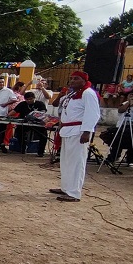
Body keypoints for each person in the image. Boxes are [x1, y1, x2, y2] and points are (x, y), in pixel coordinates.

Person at [51, 71, 100, 202]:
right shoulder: (72, 93)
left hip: (78, 131)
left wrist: (87, 131)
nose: (72, 81)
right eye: (71, 79)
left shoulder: (88, 93)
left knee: (76, 162)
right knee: (66, 161)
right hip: (67, 129)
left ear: (84, 81)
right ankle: (66, 187)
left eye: (76, 79)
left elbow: (93, 113)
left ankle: (74, 192)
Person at [103, 90, 133, 165]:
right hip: (125, 124)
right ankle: (114, 156)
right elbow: (120, 110)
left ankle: (131, 159)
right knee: (117, 136)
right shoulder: (127, 103)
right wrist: (129, 102)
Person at [12, 92, 48, 156]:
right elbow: (13, 111)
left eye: (31, 99)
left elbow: (43, 112)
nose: (29, 101)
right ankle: (22, 148)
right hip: (25, 123)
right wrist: (8, 115)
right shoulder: (22, 104)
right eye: (27, 99)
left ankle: (40, 152)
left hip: (37, 123)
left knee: (44, 134)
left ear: (34, 98)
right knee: (19, 131)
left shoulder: (40, 104)